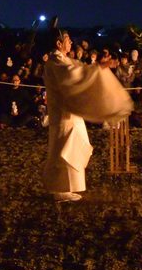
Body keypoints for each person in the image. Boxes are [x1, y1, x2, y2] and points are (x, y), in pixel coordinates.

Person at [42, 30, 133, 202]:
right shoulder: (56, 60)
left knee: (73, 144)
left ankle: (67, 187)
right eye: (67, 40)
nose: (70, 43)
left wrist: (96, 67)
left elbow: (78, 69)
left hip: (69, 112)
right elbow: (73, 74)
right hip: (63, 113)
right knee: (63, 148)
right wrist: (97, 68)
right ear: (58, 43)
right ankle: (60, 189)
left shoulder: (61, 59)